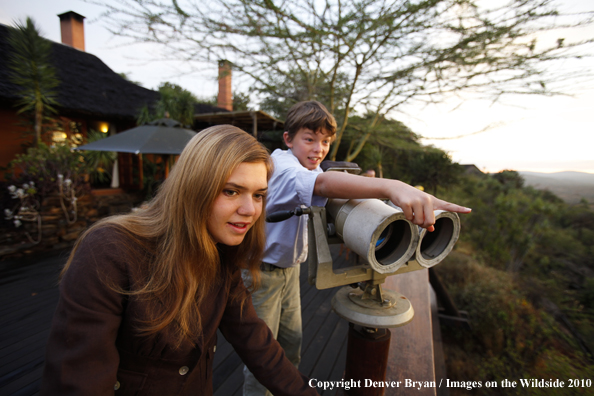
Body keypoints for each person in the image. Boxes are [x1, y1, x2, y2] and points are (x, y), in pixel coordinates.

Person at [40, 125, 318, 396]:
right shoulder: (108, 251)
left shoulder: (222, 255)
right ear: (194, 187)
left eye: (258, 195)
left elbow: (256, 343)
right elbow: (80, 378)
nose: (250, 210)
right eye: (231, 191)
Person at [243, 101, 471, 396]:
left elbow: (325, 179)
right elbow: (323, 184)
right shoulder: (283, 168)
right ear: (288, 139)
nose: (319, 149)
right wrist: (392, 187)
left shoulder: (302, 164)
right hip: (262, 275)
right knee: (262, 360)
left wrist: (365, 186)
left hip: (288, 272)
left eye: (325, 142)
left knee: (290, 347)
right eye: (309, 139)